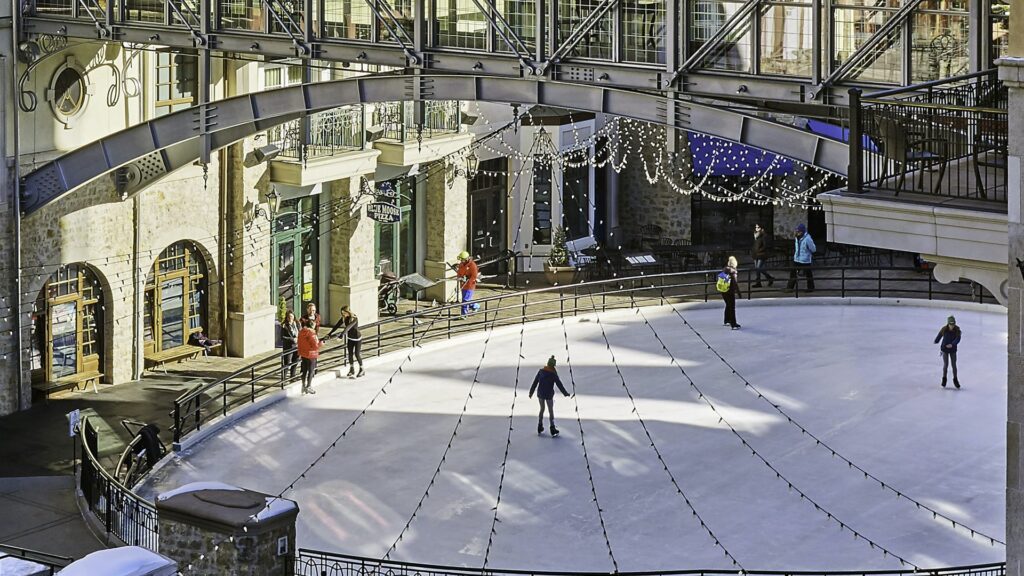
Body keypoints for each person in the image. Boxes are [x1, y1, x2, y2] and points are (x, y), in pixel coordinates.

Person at [529, 356, 570, 436]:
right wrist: (565, 393)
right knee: (550, 410)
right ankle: (552, 428)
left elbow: (535, 382)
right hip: (548, 394)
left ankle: (540, 426)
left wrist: (531, 392)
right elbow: (559, 385)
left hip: (540, 393)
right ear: (553, 365)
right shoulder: (553, 374)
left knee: (542, 409)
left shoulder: (541, 371)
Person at [328, 305, 364, 378]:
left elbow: (347, 328)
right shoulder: (344, 318)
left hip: (357, 339)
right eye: (342, 313)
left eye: (344, 313)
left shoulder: (354, 318)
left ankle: (362, 369)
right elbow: (337, 326)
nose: (343, 314)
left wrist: (341, 336)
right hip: (350, 338)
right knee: (350, 354)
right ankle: (352, 369)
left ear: (348, 312)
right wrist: (329, 333)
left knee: (357, 354)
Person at [786, 223, 816, 292]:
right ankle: (789, 288)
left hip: (805, 260)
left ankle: (811, 288)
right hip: (797, 258)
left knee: (808, 274)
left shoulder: (808, 238)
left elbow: (813, 249)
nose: (797, 232)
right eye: (797, 231)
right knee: (793, 272)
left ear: (802, 231)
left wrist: (807, 252)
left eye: (799, 231)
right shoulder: (796, 237)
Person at [934, 315, 962, 389]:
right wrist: (936, 340)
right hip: (944, 349)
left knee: (954, 365)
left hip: (953, 350)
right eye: (950, 324)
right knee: (945, 364)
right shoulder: (944, 329)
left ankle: (955, 380)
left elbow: (958, 339)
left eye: (953, 324)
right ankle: (944, 379)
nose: (952, 326)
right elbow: (939, 335)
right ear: (948, 323)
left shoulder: (957, 330)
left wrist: (952, 344)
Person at [297, 317, 323, 394]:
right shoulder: (312, 333)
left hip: (303, 353)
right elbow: (315, 346)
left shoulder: (301, 332)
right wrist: (321, 343)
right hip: (311, 354)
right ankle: (309, 386)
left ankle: (303, 385)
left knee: (304, 370)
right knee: (311, 371)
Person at [720, 256, 742, 330]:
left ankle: (727, 320)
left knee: (728, 305)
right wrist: (739, 292)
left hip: (723, 290)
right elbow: (735, 283)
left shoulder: (725, 269)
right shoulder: (733, 271)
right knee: (732, 307)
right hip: (730, 291)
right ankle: (733, 324)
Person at [456, 251, 480, 317]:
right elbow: (459, 272)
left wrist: (467, 280)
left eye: (462, 259)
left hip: (469, 286)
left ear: (466, 259)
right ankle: (475, 306)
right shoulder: (461, 264)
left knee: (465, 300)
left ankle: (464, 314)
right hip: (463, 285)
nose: (461, 261)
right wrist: (459, 277)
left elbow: (474, 276)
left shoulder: (473, 266)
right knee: (466, 299)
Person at [751, 224, 774, 288]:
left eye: (758, 227)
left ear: (761, 228)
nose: (756, 228)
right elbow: (755, 244)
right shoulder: (755, 235)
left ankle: (769, 278)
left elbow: (765, 245)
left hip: (761, 254)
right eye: (756, 227)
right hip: (755, 254)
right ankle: (759, 282)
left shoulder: (763, 235)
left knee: (759, 268)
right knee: (757, 269)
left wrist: (759, 250)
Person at [280, 310, 299, 380]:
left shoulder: (297, 323)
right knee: (287, 363)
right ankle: (284, 379)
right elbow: (282, 337)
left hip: (297, 346)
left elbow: (300, 332)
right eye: (289, 317)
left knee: (295, 362)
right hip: (289, 347)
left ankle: (292, 376)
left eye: (292, 316)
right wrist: (292, 339)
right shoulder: (284, 325)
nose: (290, 318)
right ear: (287, 318)